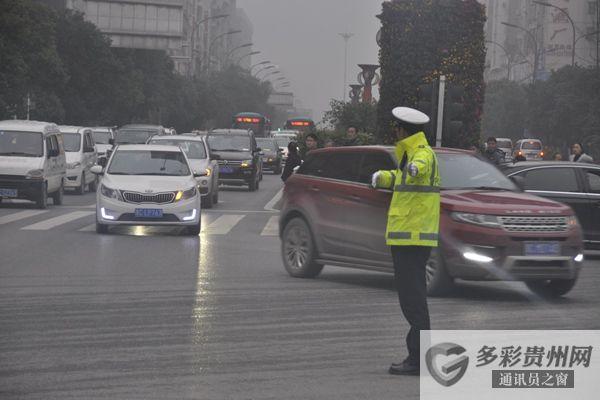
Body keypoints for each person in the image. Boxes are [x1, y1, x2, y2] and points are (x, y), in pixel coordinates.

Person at [371, 107, 440, 376]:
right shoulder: (409, 154)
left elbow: (420, 168)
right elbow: (402, 179)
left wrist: (413, 168)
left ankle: (418, 360)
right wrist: (384, 177)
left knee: (414, 302)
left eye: (396, 129)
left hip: (413, 238)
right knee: (411, 300)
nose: (394, 133)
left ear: (403, 130)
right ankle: (418, 357)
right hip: (406, 237)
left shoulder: (421, 154)